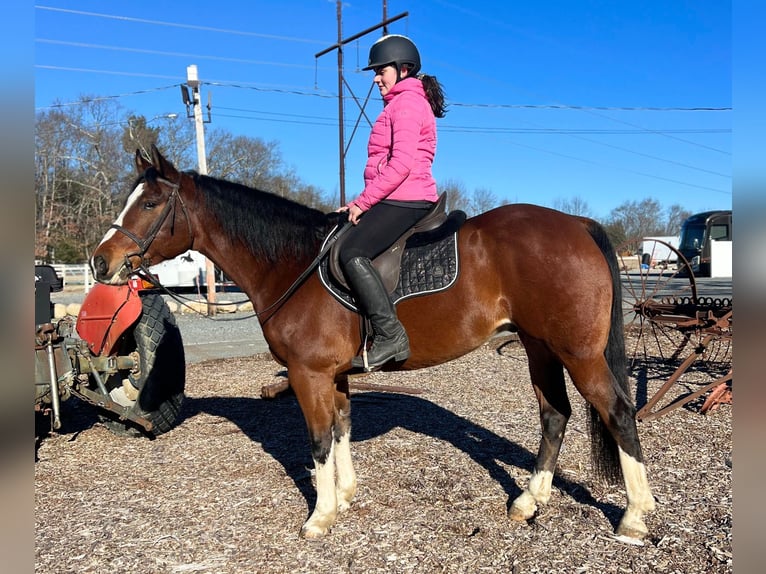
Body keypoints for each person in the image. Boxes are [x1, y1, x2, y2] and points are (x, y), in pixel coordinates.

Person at [337, 34, 447, 371]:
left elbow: (400, 166)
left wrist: (364, 202)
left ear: (403, 69)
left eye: (379, 70)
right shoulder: (399, 105)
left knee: (351, 253)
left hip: (408, 197)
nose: (375, 78)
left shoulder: (408, 105)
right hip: (397, 196)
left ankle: (390, 334)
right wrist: (362, 201)